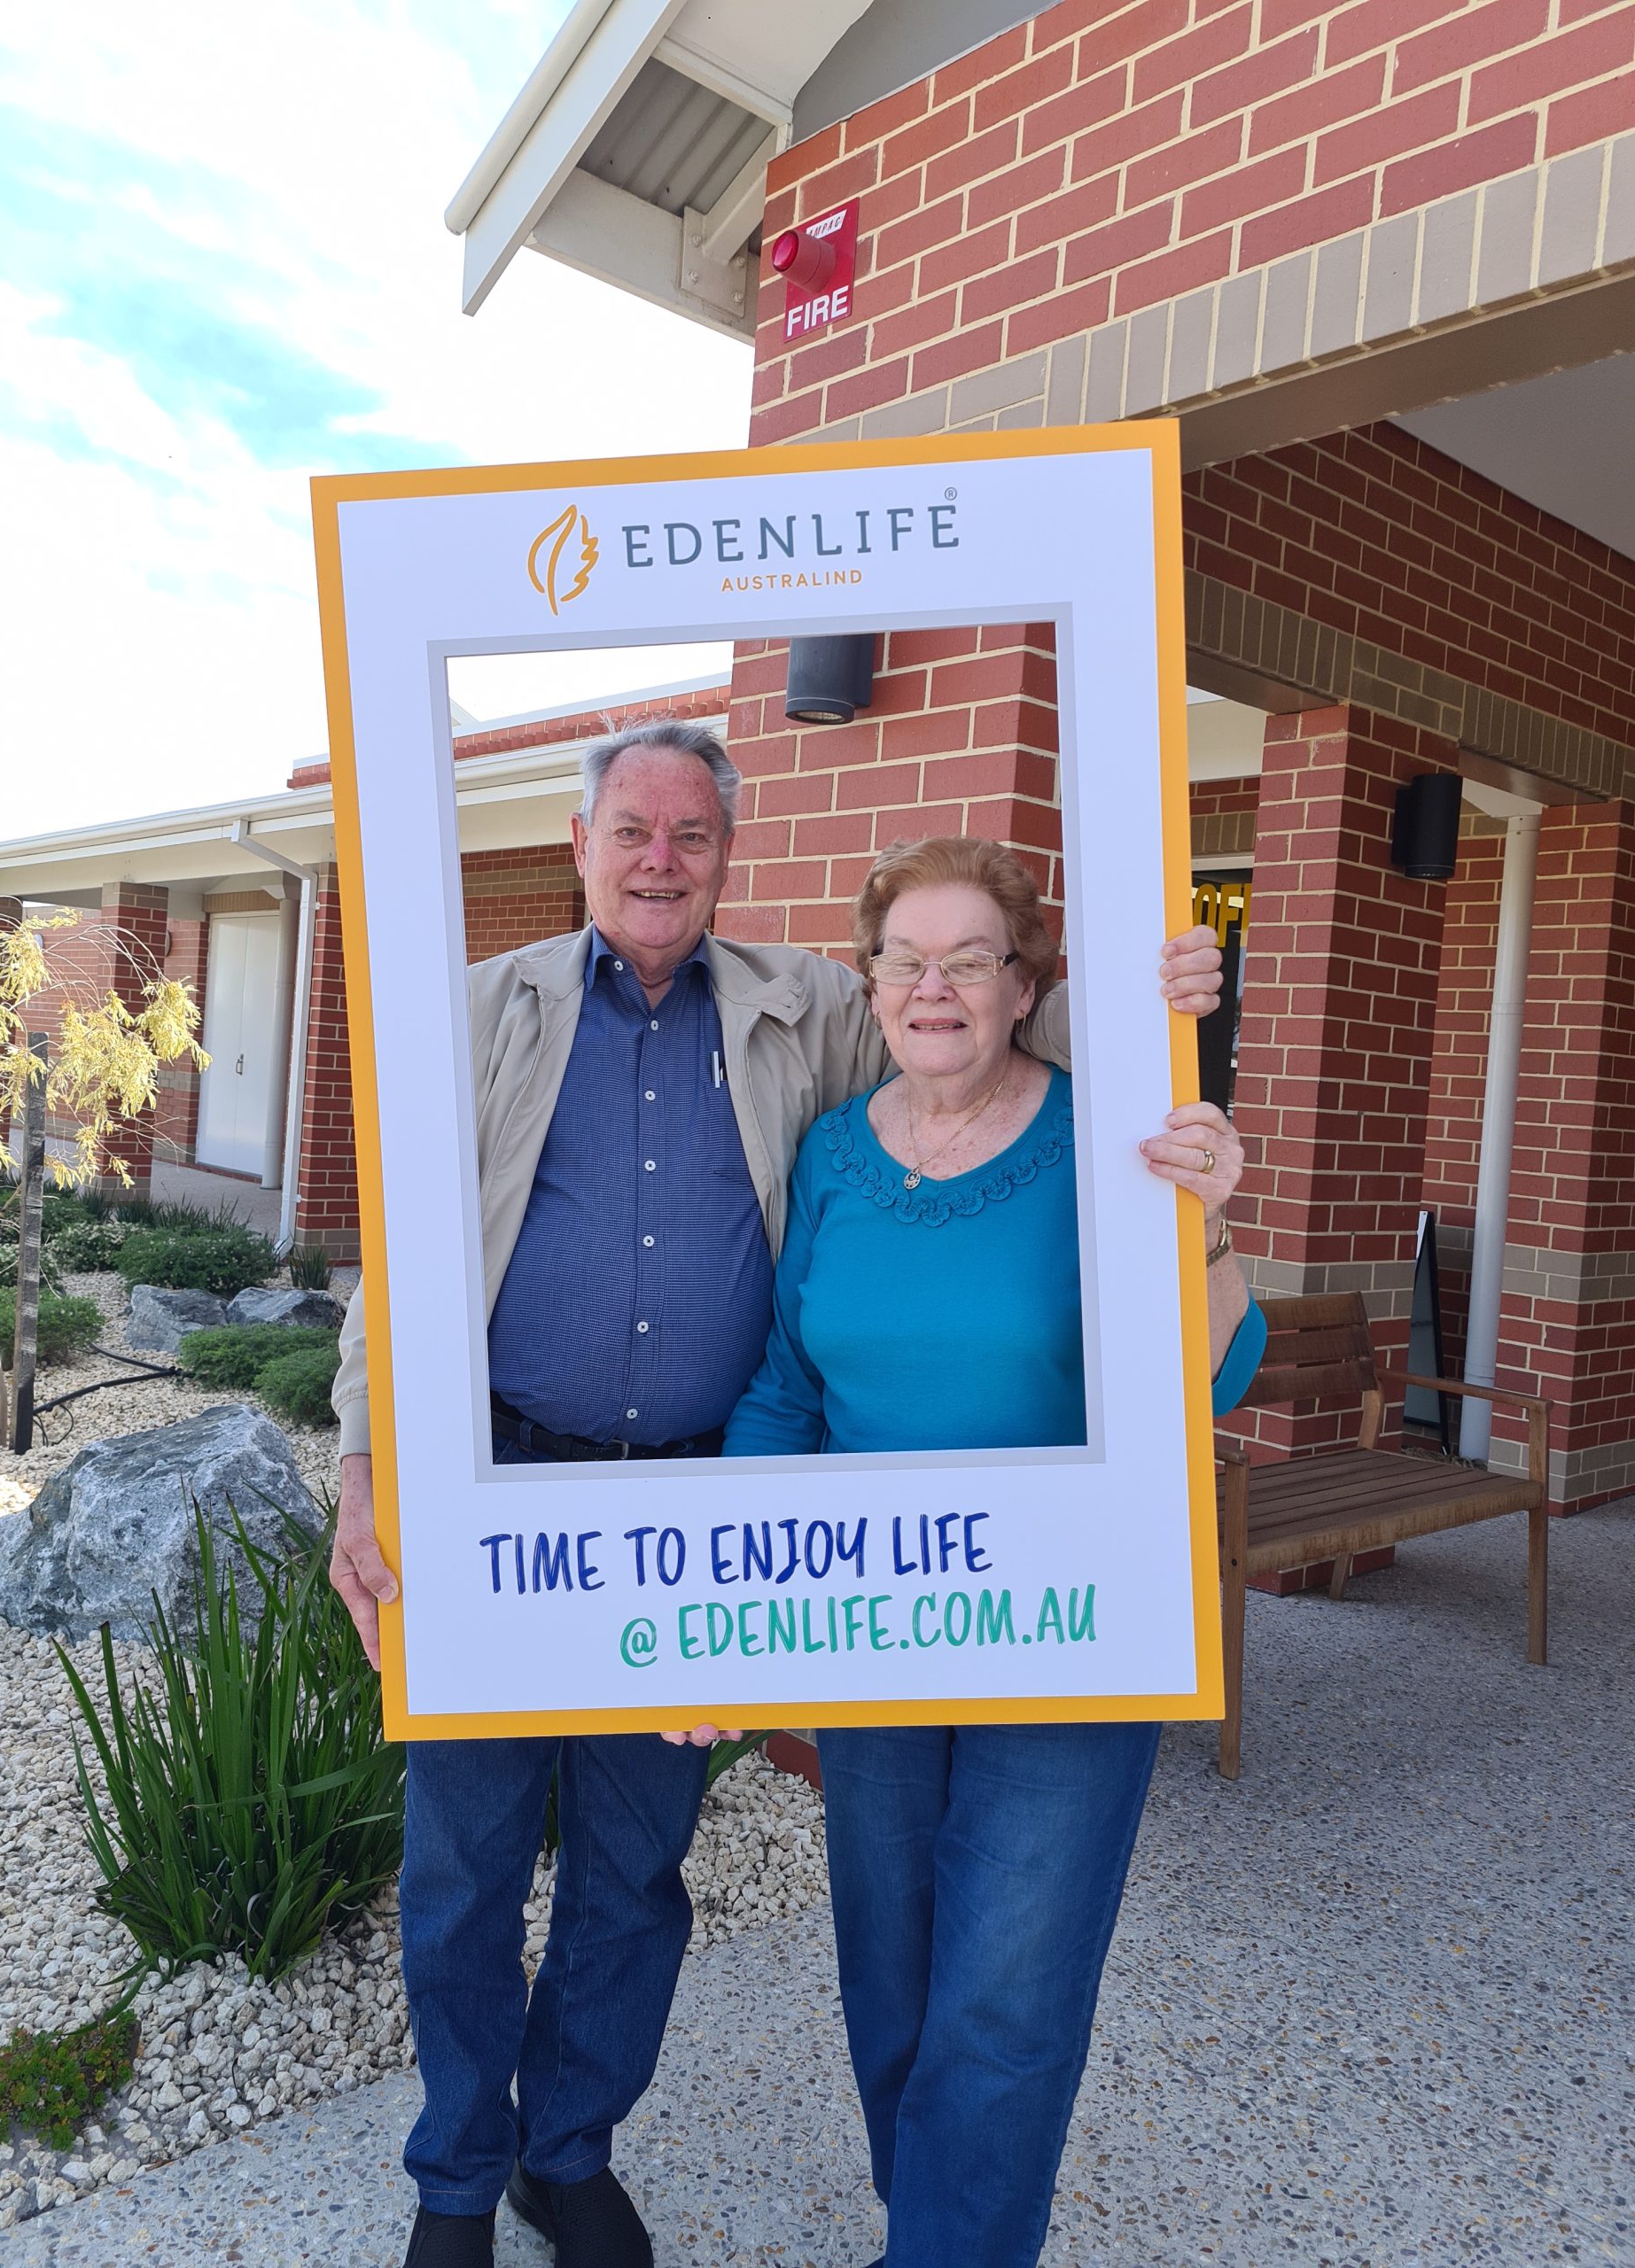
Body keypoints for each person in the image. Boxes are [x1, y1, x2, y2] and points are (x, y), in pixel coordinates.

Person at [328, 721, 1228, 2268]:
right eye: (634, 832)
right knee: (464, 1863)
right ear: (582, 840)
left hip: (703, 1513)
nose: (662, 860)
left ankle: (569, 2150)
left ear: (730, 856)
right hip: (500, 1485)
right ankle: (456, 2183)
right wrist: (361, 1461)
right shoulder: (480, 1009)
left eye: (692, 834)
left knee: (633, 1867)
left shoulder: (805, 1005)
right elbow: (401, 1243)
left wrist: (1164, 1002)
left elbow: (979, 1027)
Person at [719, 834, 1265, 2268]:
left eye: (973, 960)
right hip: (876, 1631)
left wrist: (1208, 1231)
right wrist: (724, 1600)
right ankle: (946, 2225)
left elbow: (1210, 1379)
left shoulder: (1111, 1139)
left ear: (1026, 988)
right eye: (907, 961)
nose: (936, 987)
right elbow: (787, 1386)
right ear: (873, 985)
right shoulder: (836, 1152)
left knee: (1005, 1995)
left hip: (1068, 1638)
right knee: (890, 1974)